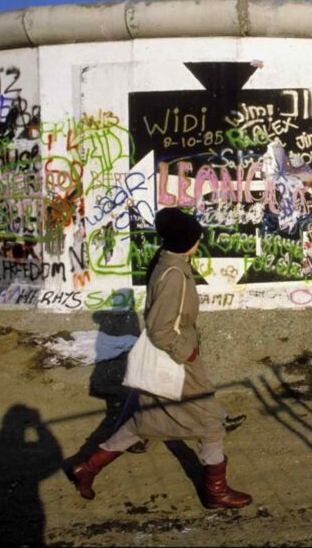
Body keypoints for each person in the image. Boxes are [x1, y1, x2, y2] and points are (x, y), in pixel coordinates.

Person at [71, 207, 252, 509]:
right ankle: (215, 491)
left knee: (143, 421)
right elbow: (159, 329)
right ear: (185, 241)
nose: (199, 241)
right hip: (178, 362)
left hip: (172, 359)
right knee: (209, 423)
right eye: (196, 237)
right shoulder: (174, 275)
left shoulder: (168, 261)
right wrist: (188, 353)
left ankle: (87, 468)